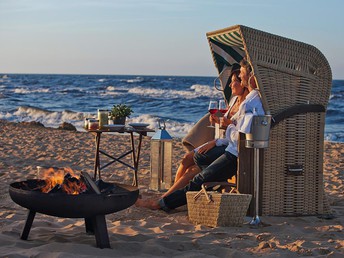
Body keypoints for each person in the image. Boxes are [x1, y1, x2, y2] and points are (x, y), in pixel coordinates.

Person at [136, 58, 264, 210]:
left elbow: (243, 137)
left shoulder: (252, 103)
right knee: (196, 168)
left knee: (198, 178)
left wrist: (229, 125)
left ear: (251, 77)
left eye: (242, 74)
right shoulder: (250, 100)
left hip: (236, 155)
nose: (241, 77)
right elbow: (238, 134)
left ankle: (162, 203)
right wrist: (225, 129)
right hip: (231, 150)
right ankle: (171, 198)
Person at [161, 68, 248, 198]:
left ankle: (169, 196)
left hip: (228, 145)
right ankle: (172, 191)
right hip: (222, 141)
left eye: (234, 81)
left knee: (193, 169)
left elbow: (237, 130)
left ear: (242, 83)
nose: (230, 85)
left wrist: (222, 130)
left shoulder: (247, 106)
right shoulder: (234, 101)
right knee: (186, 158)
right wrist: (217, 118)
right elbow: (227, 122)